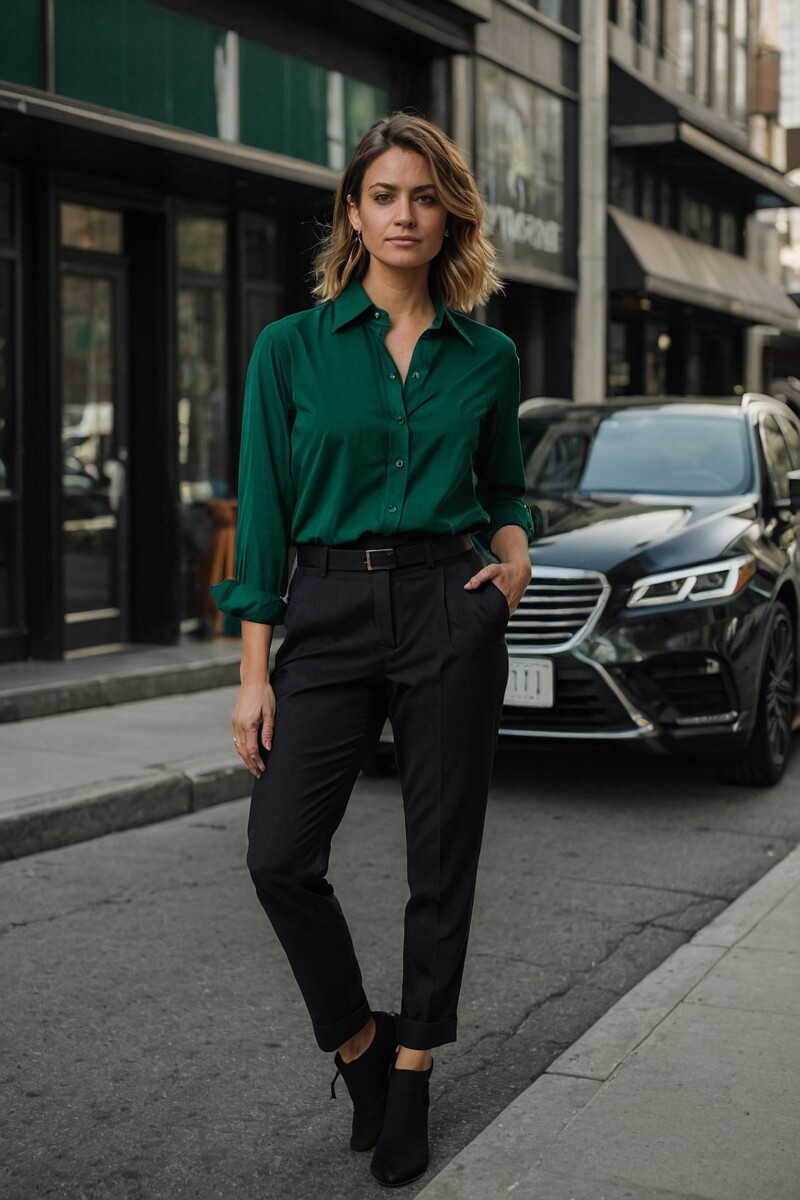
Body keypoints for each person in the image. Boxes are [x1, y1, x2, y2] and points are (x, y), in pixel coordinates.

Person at [211, 111, 534, 1188]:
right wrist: (254, 672)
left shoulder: (487, 355)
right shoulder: (289, 350)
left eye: (424, 196)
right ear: (352, 212)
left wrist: (514, 556)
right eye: (384, 195)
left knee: (440, 855)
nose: (404, 214)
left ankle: (411, 1068)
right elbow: (262, 511)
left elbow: (501, 489)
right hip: (330, 613)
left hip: (450, 604)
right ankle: (355, 1041)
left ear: (450, 216)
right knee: (278, 855)